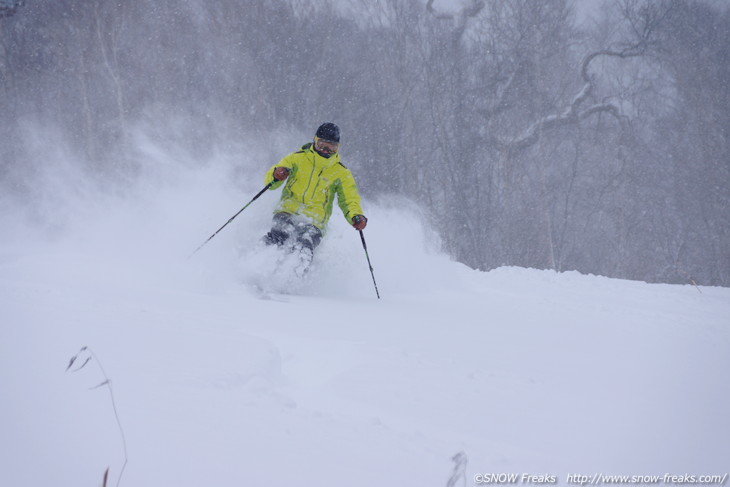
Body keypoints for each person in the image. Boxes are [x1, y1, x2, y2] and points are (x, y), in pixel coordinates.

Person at [262, 122, 367, 274]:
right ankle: (260, 266)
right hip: (287, 210)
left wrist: (356, 216)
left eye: (331, 147)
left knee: (304, 243)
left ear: (337, 147)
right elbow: (270, 184)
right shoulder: (296, 159)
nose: (326, 150)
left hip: (314, 221)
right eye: (322, 144)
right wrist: (276, 174)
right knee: (279, 235)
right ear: (315, 141)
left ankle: (292, 279)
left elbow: (350, 199)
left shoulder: (341, 172)